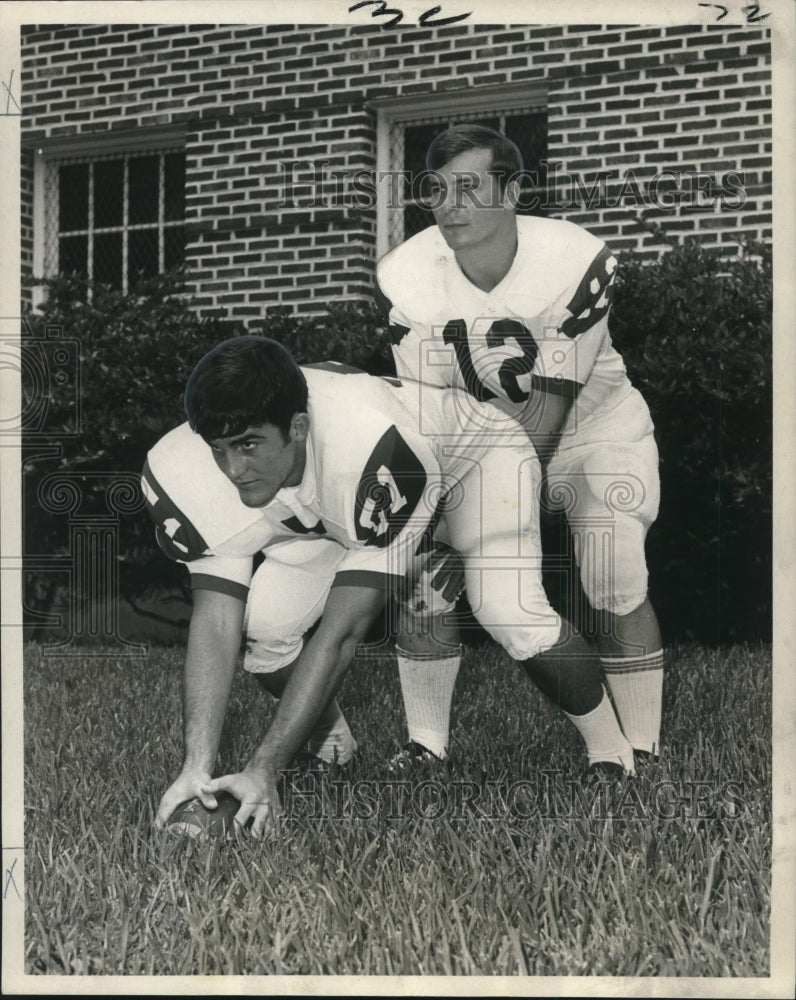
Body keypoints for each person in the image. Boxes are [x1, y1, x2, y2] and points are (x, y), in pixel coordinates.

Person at [144, 336, 635, 838]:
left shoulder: (368, 441)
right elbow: (215, 618)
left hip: (472, 460)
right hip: (335, 501)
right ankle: (336, 752)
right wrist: (195, 767)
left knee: (510, 613)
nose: (231, 469)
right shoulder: (185, 466)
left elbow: (342, 633)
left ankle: (613, 755)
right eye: (218, 449)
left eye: (247, 444)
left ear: (297, 427)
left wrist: (263, 769)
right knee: (265, 630)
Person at [376, 123, 663, 769]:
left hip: (595, 433)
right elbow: (429, 412)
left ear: (512, 192)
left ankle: (640, 748)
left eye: (470, 187)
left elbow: (550, 407)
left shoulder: (570, 259)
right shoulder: (411, 276)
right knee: (429, 575)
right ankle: (426, 745)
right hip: (485, 446)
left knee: (612, 564)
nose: (451, 205)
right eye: (439, 190)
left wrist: (497, 519)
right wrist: (436, 517)